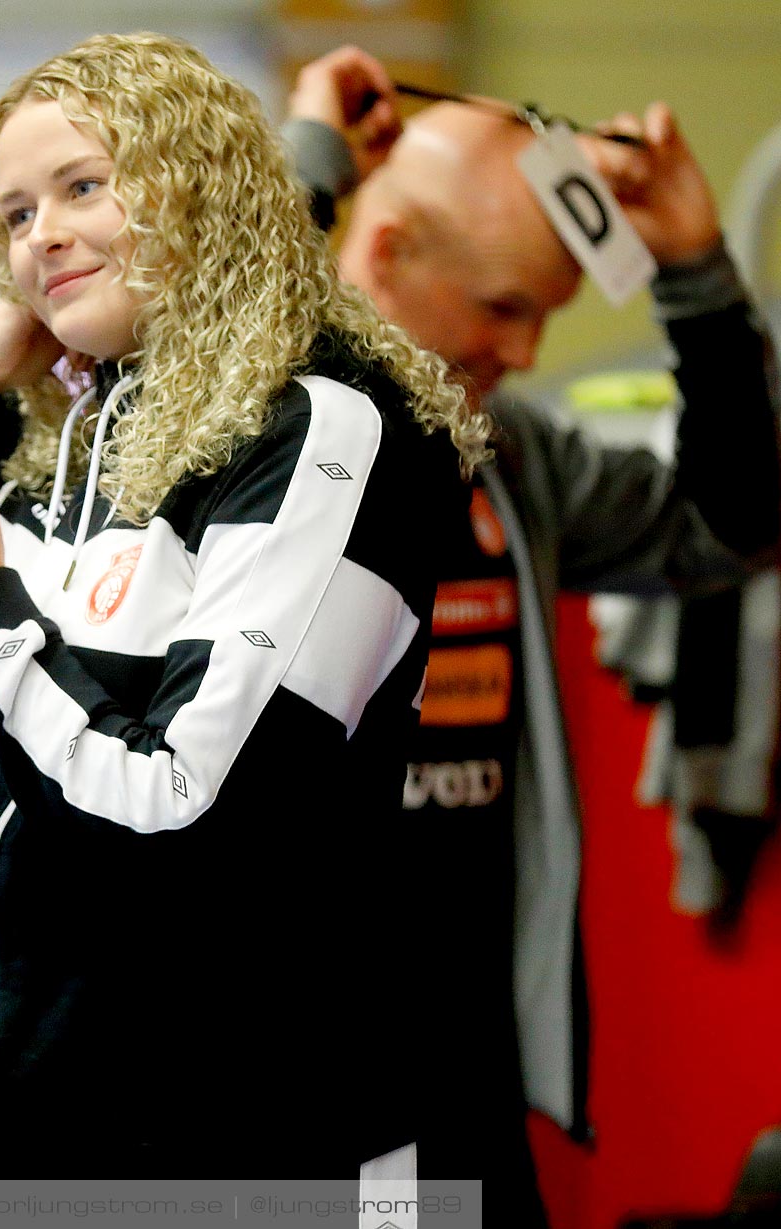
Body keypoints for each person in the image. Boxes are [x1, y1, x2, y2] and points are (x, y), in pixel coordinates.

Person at [0, 32, 481, 1175]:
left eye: (85, 186)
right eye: (15, 215)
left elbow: (177, 805)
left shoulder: (324, 423)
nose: (44, 236)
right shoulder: (60, 441)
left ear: (204, 186)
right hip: (15, 1133)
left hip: (247, 1145)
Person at [286, 48, 781, 1220]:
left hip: (463, 1073)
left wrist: (698, 274)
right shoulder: (248, 438)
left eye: (544, 315)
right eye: (504, 307)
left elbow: (735, 526)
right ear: (389, 250)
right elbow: (184, 375)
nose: (525, 354)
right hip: (263, 1078)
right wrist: (306, 171)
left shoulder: (509, 454)